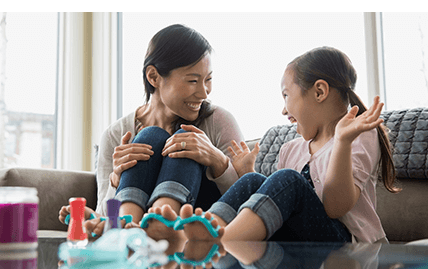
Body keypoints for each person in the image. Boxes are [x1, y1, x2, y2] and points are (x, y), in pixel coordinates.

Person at [149, 46, 400, 243]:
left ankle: (220, 242)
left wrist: (343, 142)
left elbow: (335, 207)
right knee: (253, 181)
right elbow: (273, 205)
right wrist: (247, 173)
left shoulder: (358, 134)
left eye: (286, 96)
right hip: (295, 243)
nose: (283, 110)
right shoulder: (291, 149)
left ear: (319, 92)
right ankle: (197, 232)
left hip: (348, 249)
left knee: (287, 180)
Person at [58, 24, 243, 238]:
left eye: (208, 79)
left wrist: (217, 160)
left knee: (183, 139)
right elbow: (103, 213)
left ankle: (162, 223)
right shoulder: (115, 135)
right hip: (129, 231)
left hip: (193, 226)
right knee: (149, 137)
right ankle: (132, 229)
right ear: (153, 77)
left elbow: (247, 198)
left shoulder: (218, 120)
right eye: (193, 80)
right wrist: (116, 178)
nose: (204, 92)